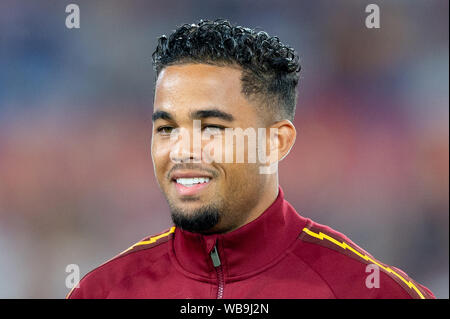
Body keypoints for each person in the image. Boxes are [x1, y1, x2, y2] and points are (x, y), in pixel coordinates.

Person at [67, 19, 435, 299]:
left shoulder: (367, 289)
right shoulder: (102, 291)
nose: (181, 150)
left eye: (211, 127)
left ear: (277, 142)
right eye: (166, 128)